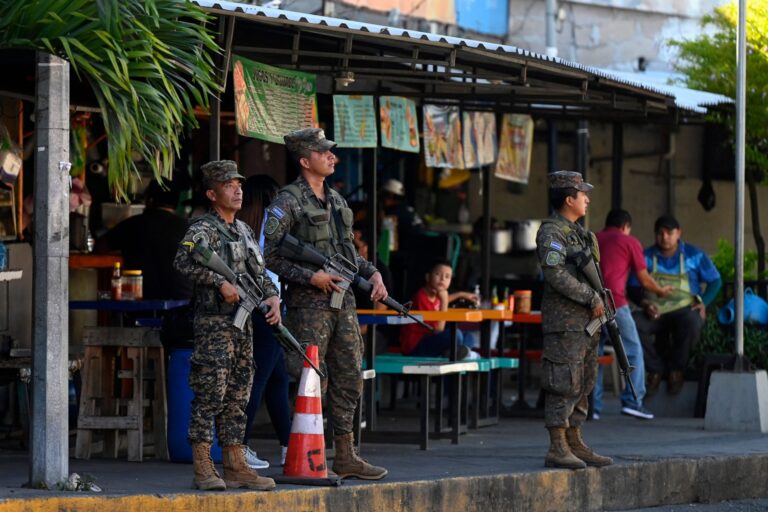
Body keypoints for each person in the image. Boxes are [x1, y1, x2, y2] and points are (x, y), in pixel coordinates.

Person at [263, 128, 389, 480]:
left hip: (343, 302)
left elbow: (348, 252)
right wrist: (310, 278)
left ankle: (346, 454)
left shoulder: (337, 201)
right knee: (310, 380)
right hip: (308, 306)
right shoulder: (287, 201)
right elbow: (269, 255)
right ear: (305, 161)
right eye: (324, 153)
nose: (332, 157)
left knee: (350, 374)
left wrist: (374, 275)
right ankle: (305, 455)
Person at [173, 160, 280, 492]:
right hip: (214, 325)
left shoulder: (245, 231)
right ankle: (204, 465)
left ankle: (235, 462)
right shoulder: (202, 228)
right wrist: (218, 282)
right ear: (211, 193)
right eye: (229, 185)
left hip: (243, 325)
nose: (237, 190)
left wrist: (273, 297)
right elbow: (182, 260)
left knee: (238, 394)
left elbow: (260, 275)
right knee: (210, 393)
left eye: (239, 184)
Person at [535, 170, 612, 470]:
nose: (587, 199)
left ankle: (575, 440)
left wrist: (602, 302)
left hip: (587, 324)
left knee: (584, 382)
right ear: (569, 199)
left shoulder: (585, 235)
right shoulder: (551, 233)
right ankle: (557, 446)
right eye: (583, 194)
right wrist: (590, 298)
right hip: (564, 323)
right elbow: (555, 274)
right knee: (563, 383)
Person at [592, 209, 672, 420]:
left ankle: (593, 405)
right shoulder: (629, 242)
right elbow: (644, 279)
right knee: (633, 351)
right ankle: (633, 401)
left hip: (591, 305)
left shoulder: (593, 239)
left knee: (595, 354)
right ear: (625, 226)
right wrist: (661, 291)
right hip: (615, 303)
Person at [629, 215, 722, 395]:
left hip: (683, 309)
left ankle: (676, 370)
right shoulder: (645, 256)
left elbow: (716, 281)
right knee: (633, 324)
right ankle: (655, 369)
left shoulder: (694, 255)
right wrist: (645, 303)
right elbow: (632, 286)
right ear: (655, 234)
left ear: (678, 233)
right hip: (655, 311)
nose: (665, 237)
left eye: (670, 233)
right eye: (660, 233)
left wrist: (703, 302)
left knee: (693, 322)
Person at [237, 175, 292, 470]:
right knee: (259, 378)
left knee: (276, 379)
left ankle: (289, 446)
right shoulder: (272, 224)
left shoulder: (246, 226)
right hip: (269, 307)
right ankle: (240, 446)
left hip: (257, 306)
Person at [97, 179, 191, 300]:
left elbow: (100, 247)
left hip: (140, 302)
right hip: (183, 304)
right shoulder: (189, 228)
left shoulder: (133, 224)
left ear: (150, 200)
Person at [399, 260, 479, 359]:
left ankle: (457, 352)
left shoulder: (436, 296)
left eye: (447, 276)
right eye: (438, 274)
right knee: (456, 335)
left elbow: (445, 299)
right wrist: (444, 301)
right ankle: (458, 353)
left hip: (430, 342)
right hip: (415, 347)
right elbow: (438, 330)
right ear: (428, 277)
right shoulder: (421, 297)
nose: (442, 279)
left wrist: (461, 294)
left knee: (469, 336)